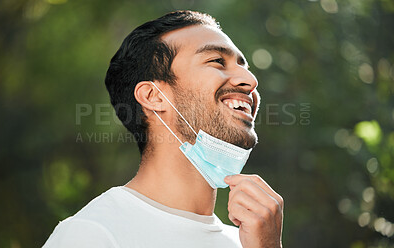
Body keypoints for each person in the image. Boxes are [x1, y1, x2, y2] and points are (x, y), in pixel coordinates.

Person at [43, 10, 284, 248]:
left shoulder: (249, 241)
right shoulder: (92, 234)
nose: (251, 81)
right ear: (153, 96)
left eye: (244, 67)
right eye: (217, 61)